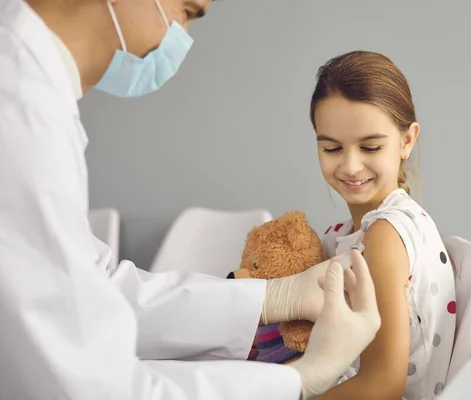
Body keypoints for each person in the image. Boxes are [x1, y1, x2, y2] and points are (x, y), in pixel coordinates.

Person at [0, 0, 382, 399]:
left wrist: (270, 299)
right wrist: (296, 381)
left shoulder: (31, 92)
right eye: (186, 10)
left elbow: (99, 294)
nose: (180, 36)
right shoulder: (21, 111)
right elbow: (88, 385)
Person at [308, 51, 457, 399]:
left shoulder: (386, 234)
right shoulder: (345, 234)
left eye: (370, 147)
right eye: (331, 148)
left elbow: (383, 386)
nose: (351, 166)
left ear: (406, 141)